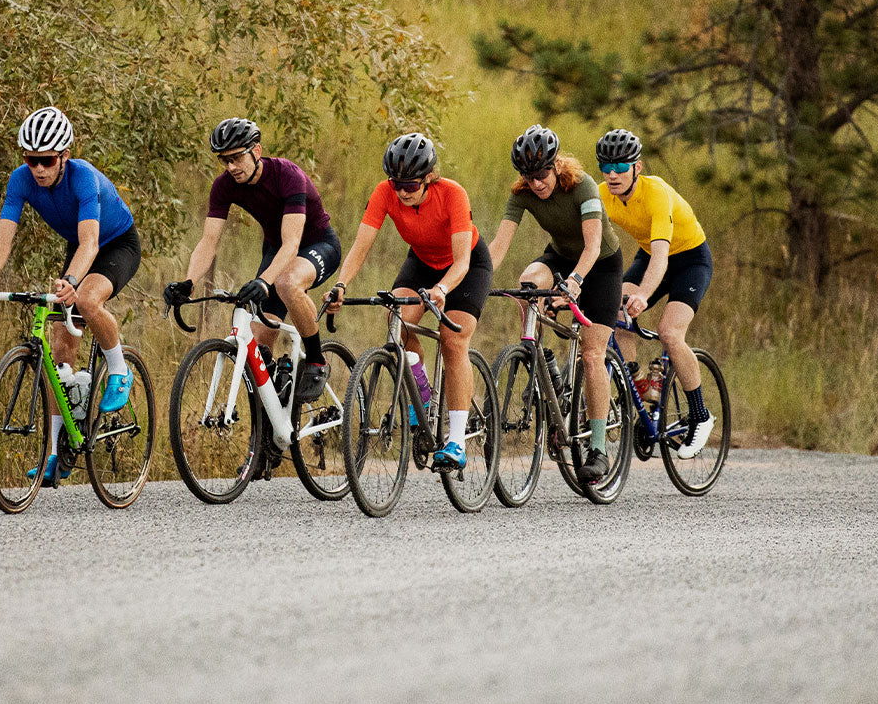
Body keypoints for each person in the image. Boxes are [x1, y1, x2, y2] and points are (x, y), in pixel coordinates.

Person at [0, 106, 141, 484]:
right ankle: (59, 453)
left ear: (64, 157)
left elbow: (91, 242)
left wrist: (73, 280)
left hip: (115, 245)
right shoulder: (20, 180)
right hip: (79, 248)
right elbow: (3, 238)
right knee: (58, 355)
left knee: (88, 301)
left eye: (46, 161)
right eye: (31, 160)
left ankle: (119, 370)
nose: (37, 169)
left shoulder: (83, 178)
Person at [324, 132, 493, 470]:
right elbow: (361, 245)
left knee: (452, 340)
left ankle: (457, 441)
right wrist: (341, 284)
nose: (402, 191)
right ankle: (422, 393)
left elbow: (461, 262)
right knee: (397, 319)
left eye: (411, 185)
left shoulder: (453, 194)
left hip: (467, 266)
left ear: (429, 178)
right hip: (422, 262)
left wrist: (443, 290)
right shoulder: (385, 193)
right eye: (396, 183)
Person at [163, 117, 341, 402]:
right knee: (257, 348)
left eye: (236, 158)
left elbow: (293, 243)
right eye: (225, 160)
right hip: (276, 250)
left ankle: (317, 361)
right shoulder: (224, 186)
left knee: (286, 282)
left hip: (318, 244)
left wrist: (263, 280)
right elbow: (209, 241)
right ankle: (271, 430)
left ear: (256, 151)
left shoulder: (288, 175)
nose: (231, 167)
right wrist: (188, 282)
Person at [487, 124, 623, 484]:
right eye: (528, 177)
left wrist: (576, 282)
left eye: (542, 174)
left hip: (602, 267)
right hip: (560, 258)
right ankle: (543, 361)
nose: (536, 183)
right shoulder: (522, 194)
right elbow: (497, 248)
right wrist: (475, 280)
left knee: (593, 354)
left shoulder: (583, 187)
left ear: (556, 165)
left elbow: (593, 247)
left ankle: (598, 449)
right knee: (527, 284)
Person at [596, 128, 715, 459]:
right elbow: (589, 244)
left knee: (669, 333)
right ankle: (637, 386)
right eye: (605, 166)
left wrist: (644, 295)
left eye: (621, 166)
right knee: (615, 313)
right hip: (649, 255)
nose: (613, 174)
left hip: (689, 259)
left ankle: (701, 415)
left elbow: (662, 257)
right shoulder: (603, 195)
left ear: (638, 167)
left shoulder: (656, 193)